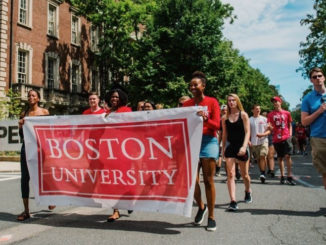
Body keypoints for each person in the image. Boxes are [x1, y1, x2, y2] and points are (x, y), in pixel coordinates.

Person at [183, 71, 220, 231]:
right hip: (191, 141)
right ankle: (201, 206)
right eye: (190, 85)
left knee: (208, 180)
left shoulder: (212, 102)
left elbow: (217, 125)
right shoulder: (186, 104)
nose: (192, 87)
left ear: (203, 86)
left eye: (195, 84)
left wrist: (206, 119)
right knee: (192, 182)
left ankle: (211, 216)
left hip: (208, 141)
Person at [17, 89, 55, 221]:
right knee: (24, 179)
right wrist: (21, 127)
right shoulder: (24, 113)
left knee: (44, 174)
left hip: (40, 148)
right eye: (29, 96)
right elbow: (21, 135)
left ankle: (51, 198)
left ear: (38, 98)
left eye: (33, 95)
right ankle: (26, 210)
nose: (30, 97)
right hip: (26, 148)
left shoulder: (44, 112)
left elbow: (49, 132)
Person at [105, 88, 133, 222]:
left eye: (116, 97)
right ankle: (115, 210)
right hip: (110, 151)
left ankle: (129, 199)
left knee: (124, 179)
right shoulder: (107, 112)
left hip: (124, 150)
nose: (114, 99)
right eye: (112, 97)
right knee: (112, 180)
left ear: (121, 98)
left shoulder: (126, 111)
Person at [222, 93, 252, 211]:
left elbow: (248, 132)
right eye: (229, 100)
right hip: (230, 147)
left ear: (237, 101)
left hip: (242, 146)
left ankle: (248, 191)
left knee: (244, 175)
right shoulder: (224, 118)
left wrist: (244, 147)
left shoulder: (243, 115)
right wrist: (223, 149)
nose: (231, 102)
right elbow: (224, 134)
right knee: (230, 174)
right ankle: (233, 201)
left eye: (233, 100)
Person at [301, 67, 326, 189]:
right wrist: (319, 111)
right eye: (314, 77)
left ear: (324, 77)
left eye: (320, 76)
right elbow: (304, 122)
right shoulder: (308, 99)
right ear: (311, 80)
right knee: (325, 172)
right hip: (319, 138)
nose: (318, 79)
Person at [267, 96, 295, 185]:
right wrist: (270, 128)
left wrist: (290, 134)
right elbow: (269, 125)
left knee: (288, 156)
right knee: (280, 157)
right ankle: (282, 176)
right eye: (273, 102)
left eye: (276, 101)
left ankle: (289, 175)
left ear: (280, 102)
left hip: (286, 136)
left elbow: (290, 124)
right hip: (276, 137)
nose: (275, 103)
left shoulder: (287, 113)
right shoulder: (270, 114)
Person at [249, 104, 269, 184]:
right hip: (254, 142)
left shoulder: (264, 119)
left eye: (259, 109)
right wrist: (248, 141)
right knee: (258, 159)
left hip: (264, 141)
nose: (258, 110)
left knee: (262, 155)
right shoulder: (249, 120)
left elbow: (269, 130)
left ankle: (263, 173)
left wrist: (263, 135)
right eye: (256, 109)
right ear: (252, 110)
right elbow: (248, 132)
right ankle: (262, 173)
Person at [216, 104, 227, 176]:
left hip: (231, 140)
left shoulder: (232, 118)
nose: (225, 111)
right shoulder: (219, 120)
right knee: (220, 155)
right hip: (222, 139)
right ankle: (218, 170)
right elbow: (219, 131)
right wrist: (218, 141)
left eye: (226, 110)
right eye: (223, 110)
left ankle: (230, 173)